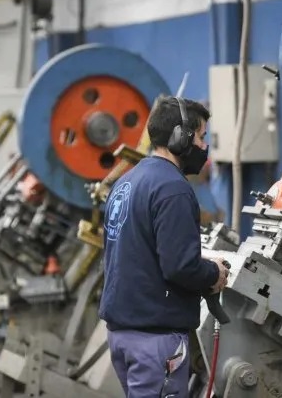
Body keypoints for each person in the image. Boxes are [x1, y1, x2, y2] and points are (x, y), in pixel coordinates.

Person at [99, 96, 229, 397]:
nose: (203, 146)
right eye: (200, 136)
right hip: (155, 341)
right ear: (180, 138)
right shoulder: (173, 189)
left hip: (123, 336)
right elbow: (179, 266)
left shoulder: (126, 182)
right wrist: (213, 274)